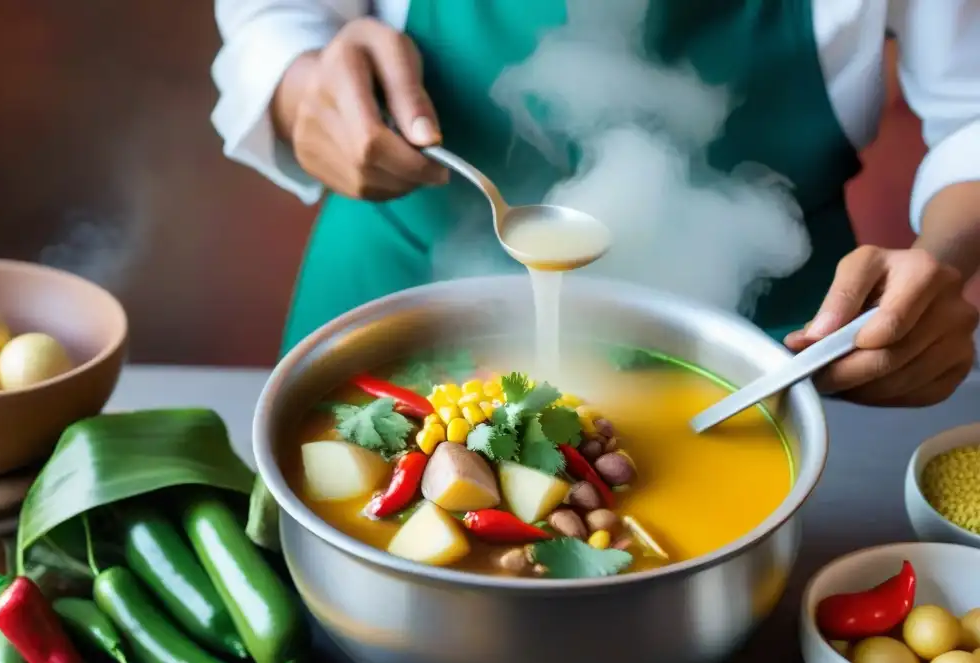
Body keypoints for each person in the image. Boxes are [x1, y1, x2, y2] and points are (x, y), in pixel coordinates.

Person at [212, 0, 980, 407]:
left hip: (753, 356)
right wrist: (299, 82)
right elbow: (277, 15)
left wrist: (940, 265)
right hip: (395, 295)